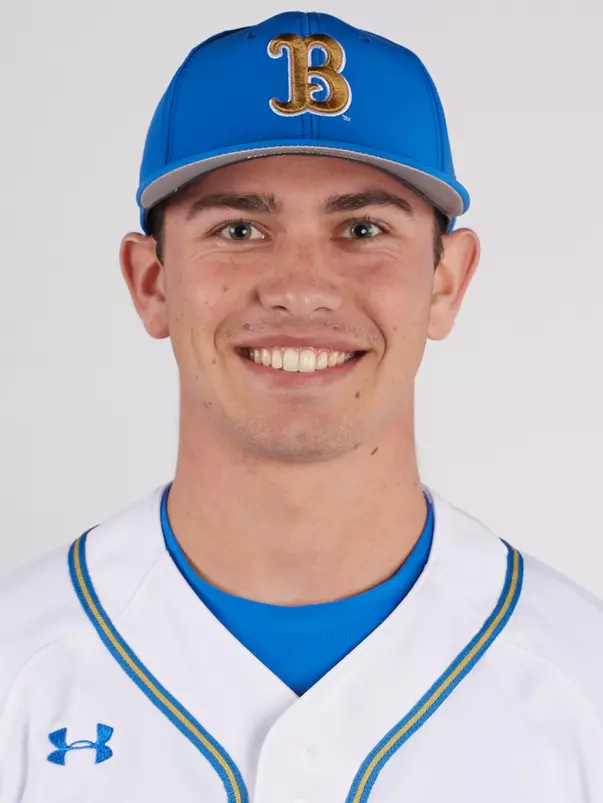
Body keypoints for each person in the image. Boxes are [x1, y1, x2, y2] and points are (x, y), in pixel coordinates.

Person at [1, 10, 602, 802]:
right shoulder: (18, 667)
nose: (300, 287)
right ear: (151, 283)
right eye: (240, 227)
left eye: (361, 227)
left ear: (444, 282)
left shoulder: (582, 684)